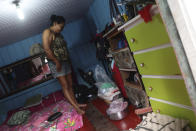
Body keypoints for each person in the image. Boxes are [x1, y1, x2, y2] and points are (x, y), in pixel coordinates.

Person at [42, 15, 86, 114]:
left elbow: (63, 48)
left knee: (70, 84)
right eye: (60, 26)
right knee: (65, 85)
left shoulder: (59, 34)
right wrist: (56, 62)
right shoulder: (47, 32)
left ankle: (76, 103)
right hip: (56, 62)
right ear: (55, 24)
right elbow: (47, 49)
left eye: (63, 27)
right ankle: (77, 109)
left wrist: (68, 61)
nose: (62, 29)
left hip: (65, 61)